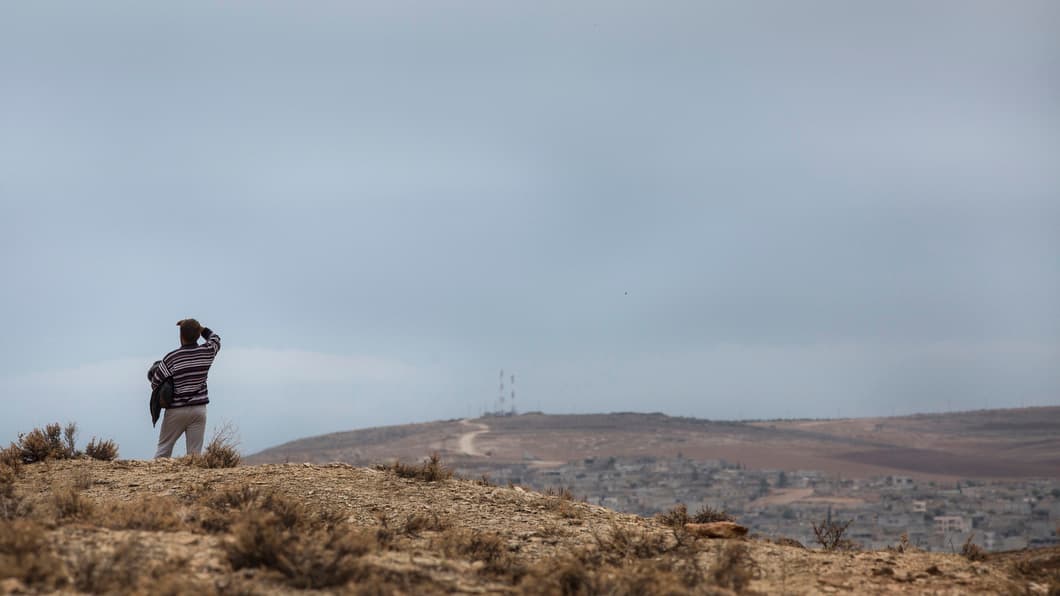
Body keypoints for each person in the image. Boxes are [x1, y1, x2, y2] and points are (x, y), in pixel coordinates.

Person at [148, 319, 221, 458]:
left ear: (181, 336)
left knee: (163, 450)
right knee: (194, 456)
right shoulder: (207, 352)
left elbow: (155, 383)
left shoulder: (172, 357)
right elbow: (215, 339)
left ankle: (158, 478)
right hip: (199, 410)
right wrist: (201, 328)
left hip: (176, 410)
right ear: (198, 335)